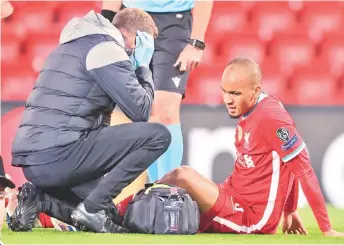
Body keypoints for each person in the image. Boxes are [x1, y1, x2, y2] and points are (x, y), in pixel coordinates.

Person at [116, 58, 344, 237]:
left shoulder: (272, 117)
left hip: (251, 217)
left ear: (256, 90)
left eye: (235, 93)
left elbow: (300, 167)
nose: (227, 99)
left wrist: (324, 227)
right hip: (231, 196)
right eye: (224, 91)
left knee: (181, 178)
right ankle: (117, 210)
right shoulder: (254, 110)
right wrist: (290, 210)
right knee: (177, 196)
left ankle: (116, 212)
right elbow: (286, 160)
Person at [9, 8, 171, 233]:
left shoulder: (71, 46)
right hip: (60, 155)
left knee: (110, 216)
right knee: (159, 135)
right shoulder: (108, 50)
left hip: (36, 162)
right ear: (136, 40)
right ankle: (92, 208)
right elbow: (140, 111)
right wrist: (143, 67)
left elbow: (93, 122)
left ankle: (40, 200)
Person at [101, 0, 213, 184]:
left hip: (174, 24)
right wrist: (106, 25)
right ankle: (154, 188)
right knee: (148, 112)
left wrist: (196, 42)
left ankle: (170, 190)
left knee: (166, 110)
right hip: (131, 17)